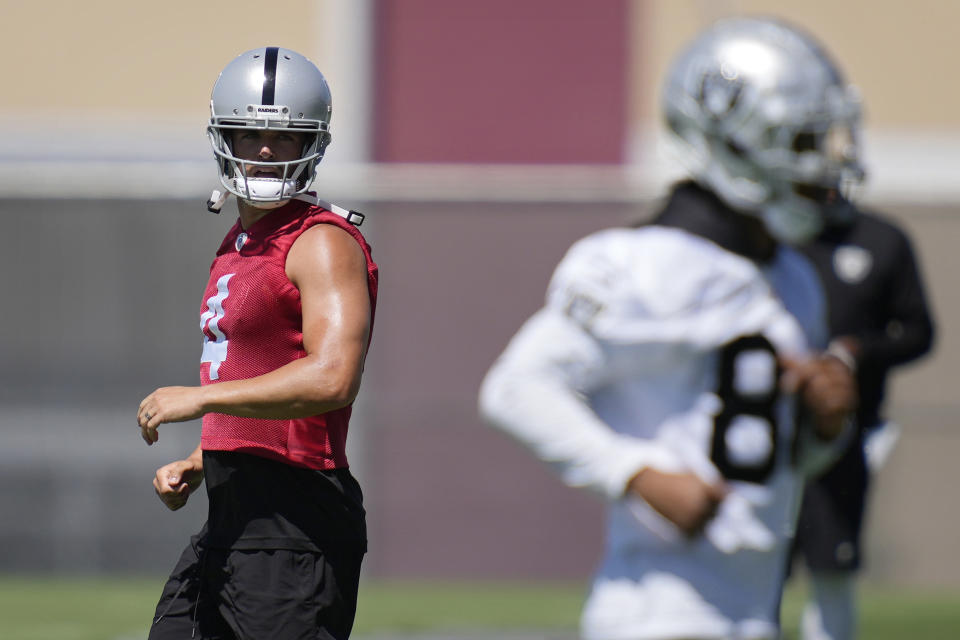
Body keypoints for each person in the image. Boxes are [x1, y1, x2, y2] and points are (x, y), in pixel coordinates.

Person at [479, 17, 862, 640]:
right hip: (655, 612)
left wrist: (826, 423)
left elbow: (778, 461)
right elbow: (517, 389)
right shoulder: (638, 263)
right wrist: (638, 474)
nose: (821, 164)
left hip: (755, 609)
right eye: (801, 141)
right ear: (735, 143)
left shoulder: (794, 277)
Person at [137, 47, 378, 640]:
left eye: (282, 135)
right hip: (234, 510)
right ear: (224, 137)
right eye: (249, 132)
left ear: (312, 143)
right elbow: (264, 366)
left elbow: (332, 377)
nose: (265, 148)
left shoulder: (322, 242)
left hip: (295, 519)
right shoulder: (239, 242)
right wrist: (206, 457)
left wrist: (201, 401)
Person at [792, 201, 935, 640]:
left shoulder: (881, 239)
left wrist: (858, 354)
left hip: (847, 432)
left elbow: (918, 331)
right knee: (752, 561)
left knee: (833, 563)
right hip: (764, 433)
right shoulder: (760, 235)